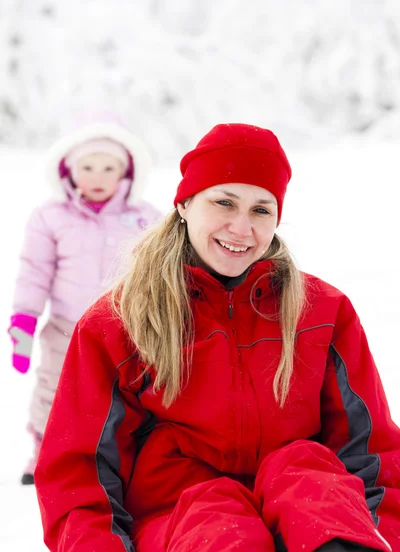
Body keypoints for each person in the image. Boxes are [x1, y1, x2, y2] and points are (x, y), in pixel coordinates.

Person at [35, 123, 400, 552]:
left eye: (261, 210)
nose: (241, 228)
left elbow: (373, 454)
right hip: (181, 519)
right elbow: (79, 479)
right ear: (185, 204)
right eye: (223, 202)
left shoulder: (322, 311)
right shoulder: (116, 323)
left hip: (307, 515)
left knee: (305, 473)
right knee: (216, 513)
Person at [8, 117, 162, 485]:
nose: (98, 176)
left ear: (126, 172)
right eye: (87, 167)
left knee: (120, 389)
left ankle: (122, 452)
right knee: (54, 387)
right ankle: (46, 450)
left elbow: (158, 272)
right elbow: (34, 269)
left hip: (124, 326)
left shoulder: (144, 218)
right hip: (65, 324)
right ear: (68, 170)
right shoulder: (51, 217)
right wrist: (25, 320)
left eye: (109, 167)